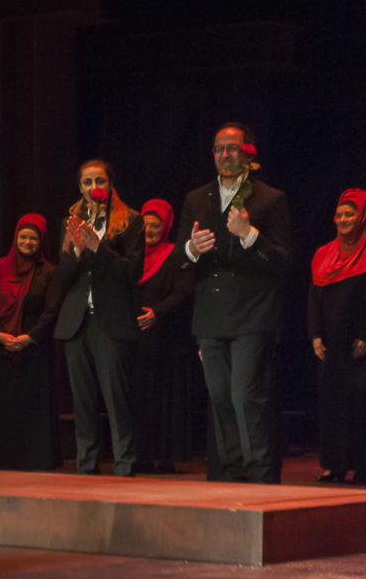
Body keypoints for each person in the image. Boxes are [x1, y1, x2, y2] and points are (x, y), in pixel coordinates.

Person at [173, 122, 291, 483]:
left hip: (253, 313)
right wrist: (192, 249)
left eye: (232, 148)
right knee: (221, 398)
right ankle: (232, 473)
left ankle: (259, 474)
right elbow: (177, 258)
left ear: (247, 153)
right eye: (219, 148)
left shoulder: (270, 199)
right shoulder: (197, 199)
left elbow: (285, 262)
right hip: (210, 314)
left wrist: (250, 236)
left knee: (244, 397)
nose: (225, 154)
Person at [53, 159, 144, 477]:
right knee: (82, 398)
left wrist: (98, 247)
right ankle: (86, 463)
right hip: (77, 319)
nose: (95, 188)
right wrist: (78, 252)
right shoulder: (71, 221)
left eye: (100, 181)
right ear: (80, 187)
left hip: (112, 319)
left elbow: (132, 272)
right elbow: (62, 276)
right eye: (88, 182)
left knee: (116, 396)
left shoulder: (131, 220)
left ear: (110, 184)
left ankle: (124, 462)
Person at [0, 214, 61, 470]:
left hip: (33, 350)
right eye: (23, 236)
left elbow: (51, 311)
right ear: (15, 238)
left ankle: (34, 461)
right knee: (1, 406)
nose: (27, 241)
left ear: (41, 241)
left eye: (33, 238)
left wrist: (29, 338)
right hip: (1, 347)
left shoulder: (48, 272)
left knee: (31, 407)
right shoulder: (0, 266)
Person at [133, 199, 195, 473]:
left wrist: (156, 313)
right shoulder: (133, 254)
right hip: (136, 339)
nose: (149, 230)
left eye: (155, 225)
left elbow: (183, 292)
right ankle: (140, 455)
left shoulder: (176, 255)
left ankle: (164, 457)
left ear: (166, 226)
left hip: (167, 339)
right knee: (140, 399)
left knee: (165, 399)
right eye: (144, 225)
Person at [308, 188, 366, 484]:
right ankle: (335, 465)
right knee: (332, 405)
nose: (343, 219)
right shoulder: (323, 254)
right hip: (330, 345)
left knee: (359, 403)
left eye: (350, 214)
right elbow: (313, 298)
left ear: (362, 217)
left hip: (359, 346)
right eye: (339, 214)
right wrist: (315, 335)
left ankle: (362, 466)